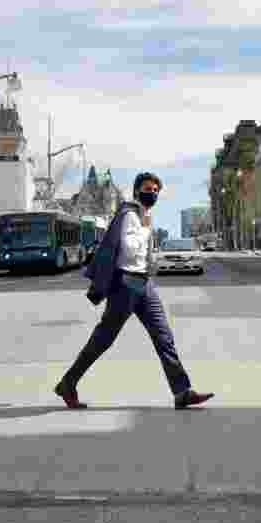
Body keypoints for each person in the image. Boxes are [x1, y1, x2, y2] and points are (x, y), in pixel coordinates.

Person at [54, 172, 214, 410]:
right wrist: (145, 232)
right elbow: (128, 249)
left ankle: (182, 391)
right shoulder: (130, 214)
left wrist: (150, 258)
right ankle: (68, 383)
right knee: (104, 338)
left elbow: (141, 252)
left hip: (143, 283)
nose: (153, 193)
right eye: (149, 189)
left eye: (156, 190)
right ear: (137, 191)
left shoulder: (144, 215)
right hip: (125, 283)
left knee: (163, 336)